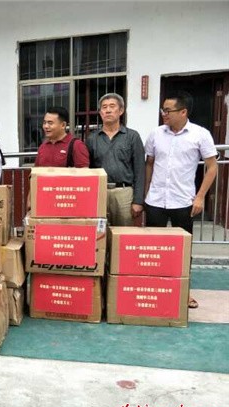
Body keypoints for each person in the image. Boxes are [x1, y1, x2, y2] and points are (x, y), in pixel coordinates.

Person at [144, 92, 218, 309]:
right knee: (154, 250)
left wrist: (200, 197)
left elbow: (212, 167)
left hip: (183, 201)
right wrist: (146, 193)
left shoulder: (200, 134)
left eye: (168, 110)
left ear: (183, 111)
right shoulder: (156, 134)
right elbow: (149, 164)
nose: (164, 114)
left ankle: (183, 292)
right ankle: (155, 289)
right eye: (163, 110)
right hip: (156, 200)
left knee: (182, 250)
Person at [86, 93, 145, 226]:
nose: (108, 110)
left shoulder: (132, 136)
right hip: (100, 192)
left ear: (121, 110)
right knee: (100, 231)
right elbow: (88, 170)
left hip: (124, 193)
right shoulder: (92, 138)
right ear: (100, 112)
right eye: (104, 107)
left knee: (124, 232)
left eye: (112, 106)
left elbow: (140, 170)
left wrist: (138, 200)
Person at [26, 107, 90, 210]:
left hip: (66, 202)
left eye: (50, 123)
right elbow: (34, 175)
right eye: (44, 122)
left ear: (63, 125)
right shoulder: (43, 147)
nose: (46, 126)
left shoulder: (76, 145)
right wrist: (30, 199)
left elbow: (84, 175)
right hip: (44, 201)